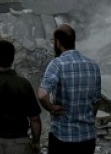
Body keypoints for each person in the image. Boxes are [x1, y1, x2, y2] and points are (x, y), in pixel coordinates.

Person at [37, 25, 101, 154]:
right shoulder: (93, 65)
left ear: (58, 42)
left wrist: (51, 108)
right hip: (87, 138)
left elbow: (42, 95)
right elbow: (96, 101)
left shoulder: (57, 64)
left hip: (62, 137)